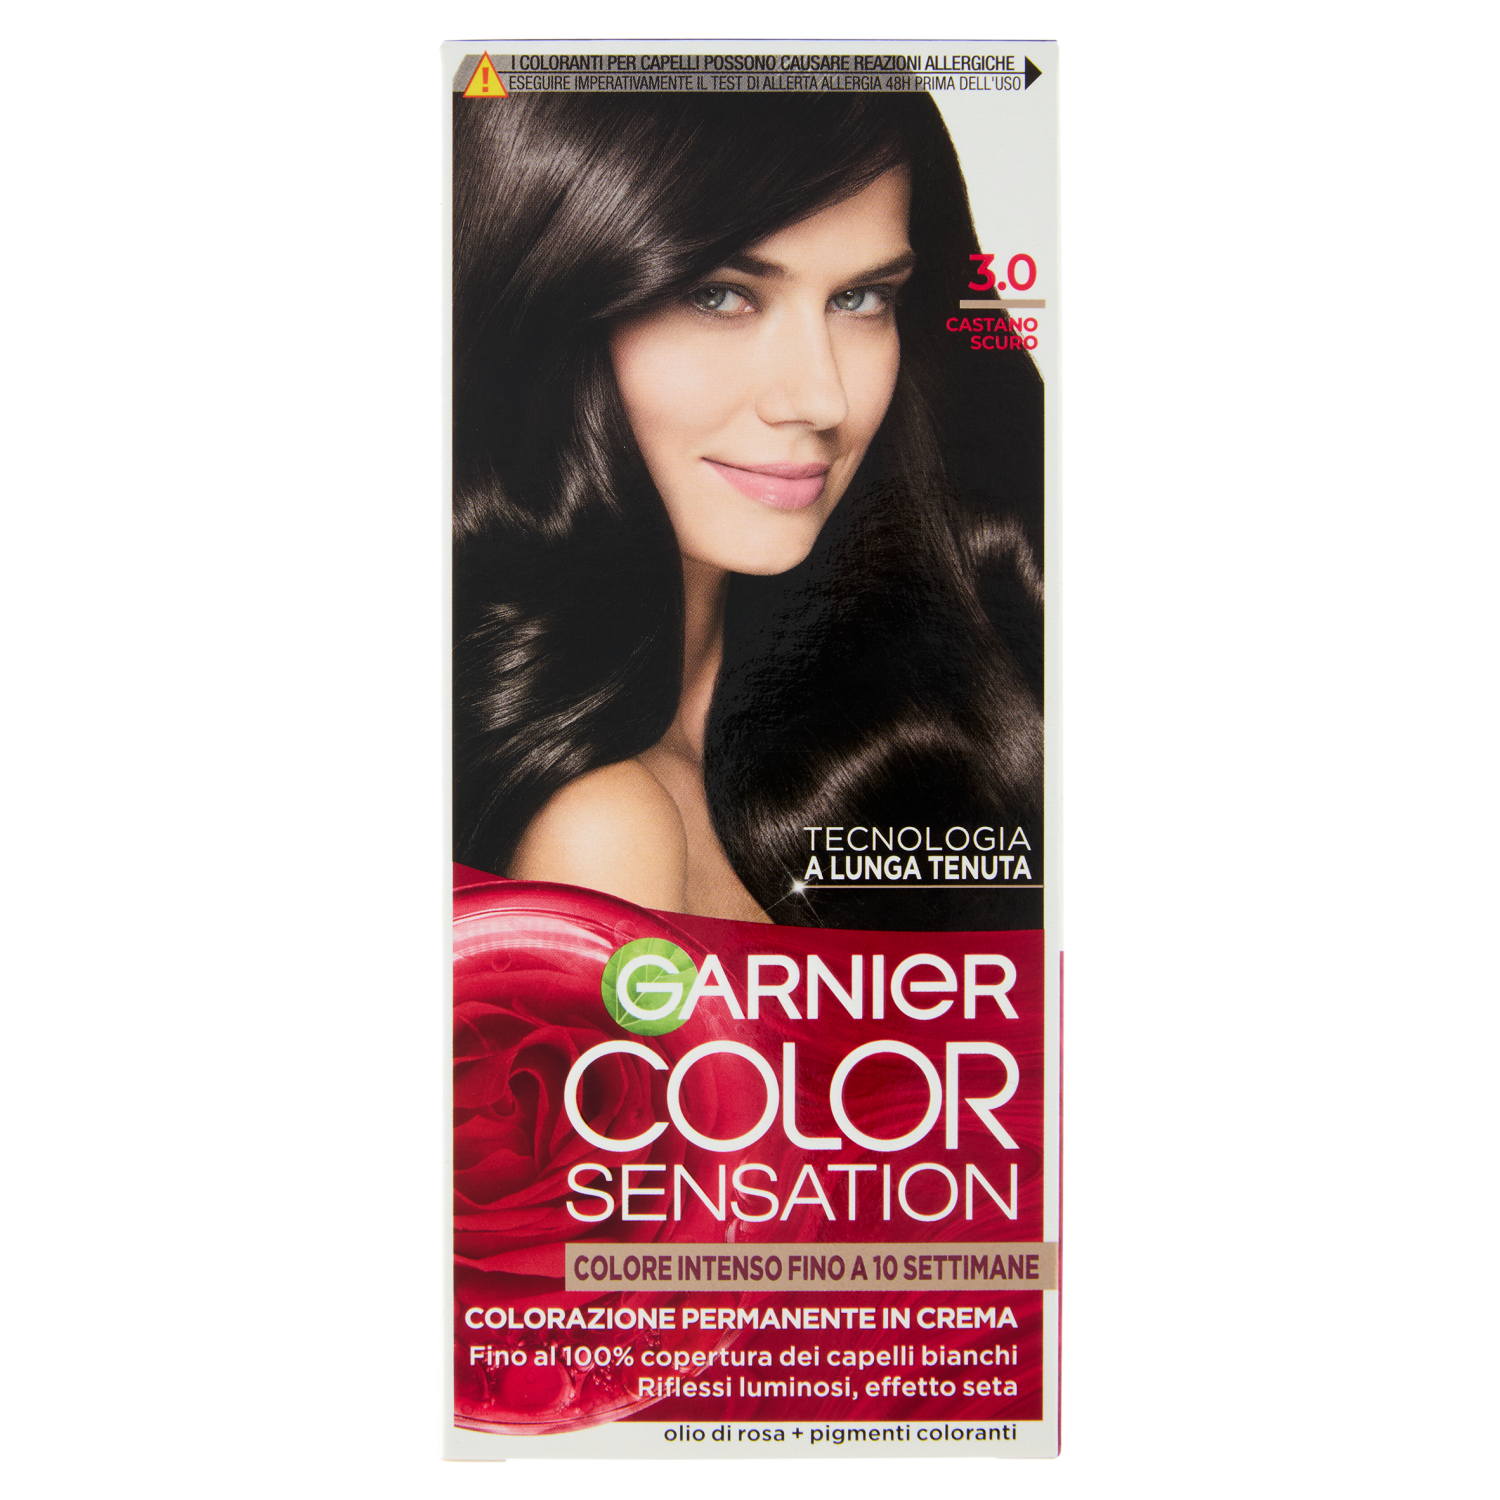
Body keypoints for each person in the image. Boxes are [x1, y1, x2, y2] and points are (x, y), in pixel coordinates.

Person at [454, 90, 1043, 931]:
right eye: (720, 296)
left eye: (861, 299)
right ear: (552, 303)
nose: (821, 397)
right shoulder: (605, 832)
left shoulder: (876, 726)